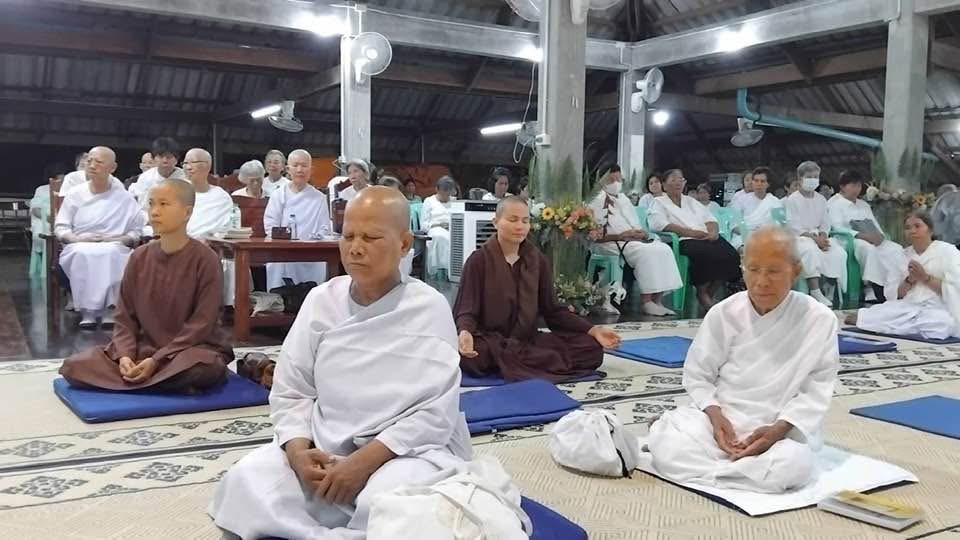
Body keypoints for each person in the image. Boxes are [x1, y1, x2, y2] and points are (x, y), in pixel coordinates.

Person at [209, 187, 473, 539]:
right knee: (245, 480)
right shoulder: (321, 300)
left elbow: (435, 413)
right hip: (323, 444)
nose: (356, 248)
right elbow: (292, 390)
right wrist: (299, 453)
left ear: (404, 244)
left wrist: (363, 463)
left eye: (371, 237)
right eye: (348, 237)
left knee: (397, 507)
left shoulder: (429, 307)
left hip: (403, 453)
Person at [645, 227, 839, 493]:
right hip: (722, 419)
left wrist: (777, 430)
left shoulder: (819, 319)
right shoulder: (724, 313)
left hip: (780, 427)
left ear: (795, 271)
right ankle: (739, 474)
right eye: (753, 269)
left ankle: (716, 473)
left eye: (773, 271)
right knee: (673, 444)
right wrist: (715, 416)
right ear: (742, 269)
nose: (761, 282)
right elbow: (698, 375)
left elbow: (817, 390)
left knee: (792, 464)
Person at [59, 179, 233, 393]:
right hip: (144, 349)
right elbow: (124, 317)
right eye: (151, 204)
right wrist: (125, 356)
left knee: (202, 368)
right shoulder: (139, 257)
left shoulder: (206, 259)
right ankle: (156, 380)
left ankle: (144, 378)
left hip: (188, 349)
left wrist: (158, 359)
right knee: (73, 367)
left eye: (164, 204)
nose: (154, 212)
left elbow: (202, 323)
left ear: (187, 212)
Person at [455, 196, 621, 382]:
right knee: (472, 356)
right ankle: (519, 361)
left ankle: (509, 362)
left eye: (525, 221)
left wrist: (593, 330)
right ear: (496, 222)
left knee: (591, 349)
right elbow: (467, 309)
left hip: (527, 340)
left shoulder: (537, 260)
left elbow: (553, 311)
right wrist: (465, 332)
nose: (520, 226)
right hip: (492, 341)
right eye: (513, 220)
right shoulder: (478, 260)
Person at [55, 147, 144, 328]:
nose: (92, 165)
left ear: (113, 167)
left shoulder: (124, 197)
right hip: (79, 243)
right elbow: (61, 227)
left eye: (99, 162)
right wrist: (77, 239)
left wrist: (119, 239)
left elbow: (136, 231)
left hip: (114, 244)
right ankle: (87, 312)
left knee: (112, 253)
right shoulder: (75, 194)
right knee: (80, 253)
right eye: (89, 161)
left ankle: (111, 310)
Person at [848, 212, 960, 339]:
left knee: (943, 323)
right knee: (881, 313)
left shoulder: (949, 252)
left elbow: (956, 289)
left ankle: (895, 325)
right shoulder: (902, 255)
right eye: (908, 228)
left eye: (917, 226)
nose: (912, 231)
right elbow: (894, 294)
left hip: (938, 307)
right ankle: (904, 325)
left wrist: (925, 278)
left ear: (930, 230)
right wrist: (909, 280)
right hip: (908, 306)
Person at [648, 169, 742, 310]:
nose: (678, 183)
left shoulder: (691, 201)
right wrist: (690, 232)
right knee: (704, 253)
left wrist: (713, 232)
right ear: (664, 185)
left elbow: (710, 219)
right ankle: (702, 292)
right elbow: (658, 224)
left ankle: (710, 292)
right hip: (682, 239)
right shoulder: (658, 202)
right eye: (673, 180)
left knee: (730, 254)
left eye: (680, 180)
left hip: (704, 236)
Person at [590, 174, 683, 316]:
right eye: (612, 180)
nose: (616, 183)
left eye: (619, 179)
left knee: (663, 248)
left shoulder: (624, 199)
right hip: (611, 242)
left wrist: (642, 234)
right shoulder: (595, 201)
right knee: (645, 252)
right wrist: (620, 236)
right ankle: (647, 301)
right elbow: (595, 236)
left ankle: (657, 301)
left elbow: (636, 224)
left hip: (632, 239)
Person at [827, 169, 904, 303]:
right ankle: (870, 287)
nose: (856, 189)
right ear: (842, 186)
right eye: (852, 185)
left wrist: (880, 236)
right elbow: (837, 227)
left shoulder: (863, 205)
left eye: (858, 185)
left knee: (895, 249)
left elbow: (875, 224)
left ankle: (895, 287)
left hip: (871, 237)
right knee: (868, 249)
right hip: (849, 240)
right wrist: (861, 235)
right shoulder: (835, 204)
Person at [783, 161, 848, 307]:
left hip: (819, 236)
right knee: (810, 250)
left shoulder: (821, 199)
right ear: (800, 179)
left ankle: (830, 287)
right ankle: (815, 291)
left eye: (815, 176)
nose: (813, 179)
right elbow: (794, 226)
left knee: (838, 252)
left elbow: (826, 222)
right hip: (800, 238)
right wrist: (815, 239)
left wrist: (823, 237)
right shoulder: (793, 199)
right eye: (809, 177)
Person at [263, 149, 331, 289]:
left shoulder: (319, 198)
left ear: (311, 170)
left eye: (304, 166)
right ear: (288, 169)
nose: (300, 170)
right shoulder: (278, 195)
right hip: (283, 251)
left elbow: (324, 228)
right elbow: (270, 224)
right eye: (295, 165)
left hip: (311, 253)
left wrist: (311, 242)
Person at [180, 148, 233, 238]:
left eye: (193, 162)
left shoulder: (221, 197)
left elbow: (226, 228)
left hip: (211, 244)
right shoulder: (176, 192)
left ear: (207, 166)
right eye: (185, 163)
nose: (188, 167)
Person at [29, 164, 63, 276]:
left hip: (62, 222)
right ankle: (51, 266)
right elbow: (35, 210)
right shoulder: (41, 189)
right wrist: (49, 218)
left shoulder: (69, 189)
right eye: (59, 178)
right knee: (46, 234)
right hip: (46, 222)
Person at [129, 137, 186, 203]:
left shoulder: (185, 178)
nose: (165, 161)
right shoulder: (145, 178)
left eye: (169, 157)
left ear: (176, 160)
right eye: (161, 157)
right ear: (154, 159)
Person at [420, 175, 456, 278]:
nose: (446, 196)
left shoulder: (454, 201)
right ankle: (439, 273)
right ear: (437, 189)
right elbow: (424, 225)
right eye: (444, 193)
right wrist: (439, 224)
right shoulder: (429, 201)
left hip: (452, 229)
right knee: (440, 237)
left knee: (457, 239)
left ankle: (454, 273)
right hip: (435, 228)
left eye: (448, 193)